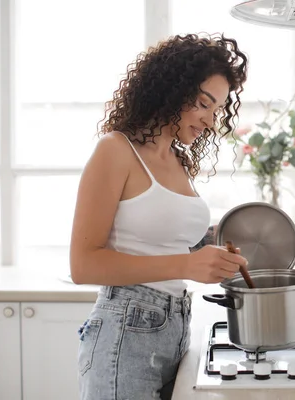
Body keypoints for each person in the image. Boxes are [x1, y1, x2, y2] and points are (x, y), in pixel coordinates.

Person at [69, 33, 249, 400]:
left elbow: (168, 241)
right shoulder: (116, 151)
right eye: (203, 103)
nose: (211, 121)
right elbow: (83, 265)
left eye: (217, 111)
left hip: (176, 327)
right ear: (172, 89)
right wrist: (187, 264)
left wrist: (224, 239)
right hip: (125, 331)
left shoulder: (178, 161)